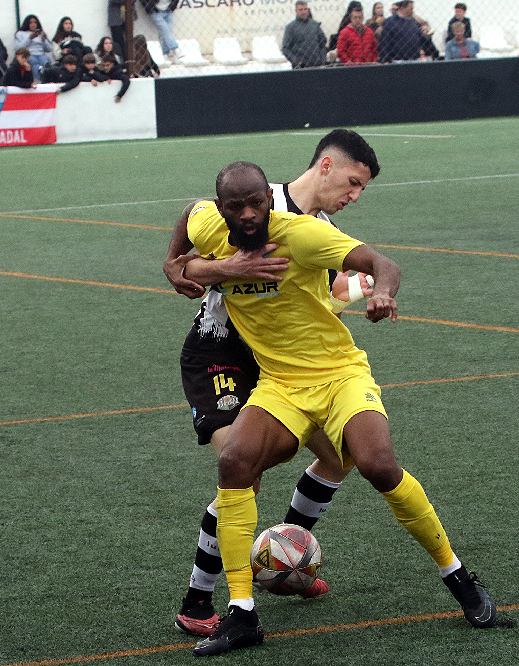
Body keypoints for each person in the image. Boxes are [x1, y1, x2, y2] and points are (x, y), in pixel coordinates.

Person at [177, 160, 497, 656]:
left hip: (338, 374)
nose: (246, 214)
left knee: (376, 464)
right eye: (235, 206)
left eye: (256, 203)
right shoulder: (208, 225)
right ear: (221, 209)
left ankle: (458, 578)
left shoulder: (301, 235)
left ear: (269, 199)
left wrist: (384, 294)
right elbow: (187, 217)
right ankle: (240, 613)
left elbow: (382, 264)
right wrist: (178, 264)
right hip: (280, 383)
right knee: (234, 462)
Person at [164, 130, 383, 637]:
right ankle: (197, 601)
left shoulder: (319, 229)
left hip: (283, 364)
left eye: (362, 191)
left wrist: (359, 287)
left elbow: (318, 295)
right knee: (245, 467)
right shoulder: (259, 201)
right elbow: (195, 213)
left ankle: (284, 560)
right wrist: (191, 266)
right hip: (221, 353)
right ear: (325, 166)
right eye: (352, 183)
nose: (354, 196)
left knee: (339, 456)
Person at [281, 1, 327, 68]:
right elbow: (285, 48)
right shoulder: (290, 27)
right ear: (296, 11)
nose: (303, 12)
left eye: (305, 9)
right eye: (301, 10)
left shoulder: (315, 25)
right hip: (301, 67)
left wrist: (322, 60)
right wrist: (296, 62)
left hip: (317, 64)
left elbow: (322, 44)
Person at [14, 15, 53, 82]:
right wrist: (29, 38)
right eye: (31, 23)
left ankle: (46, 75)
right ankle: (41, 78)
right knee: (34, 63)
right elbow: (18, 48)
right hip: (29, 54)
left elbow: (49, 49)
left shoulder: (40, 34)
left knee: (45, 61)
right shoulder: (21, 33)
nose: (33, 25)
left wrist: (44, 40)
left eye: (35, 22)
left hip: (41, 54)